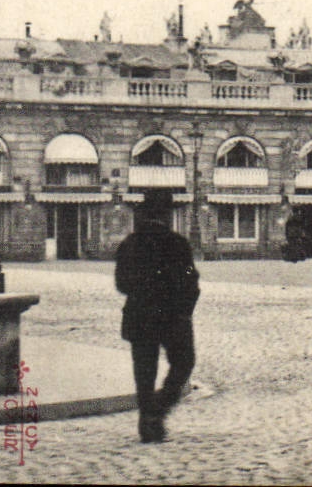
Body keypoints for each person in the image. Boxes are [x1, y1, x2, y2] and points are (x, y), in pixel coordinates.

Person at [115, 188, 200, 443]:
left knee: (144, 372)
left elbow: (121, 284)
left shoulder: (130, 243)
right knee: (184, 362)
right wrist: (184, 311)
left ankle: (146, 423)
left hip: (139, 316)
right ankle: (158, 410)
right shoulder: (177, 243)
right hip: (172, 317)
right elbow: (191, 283)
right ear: (167, 213)